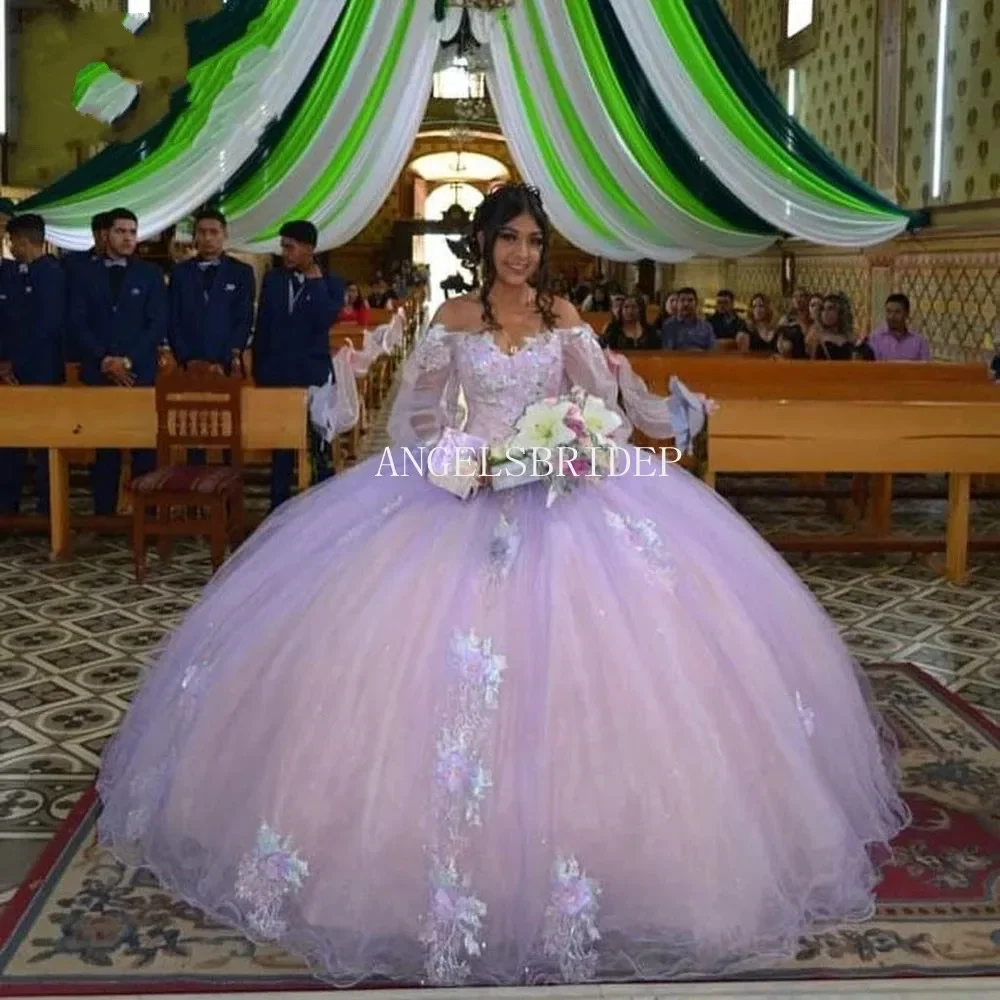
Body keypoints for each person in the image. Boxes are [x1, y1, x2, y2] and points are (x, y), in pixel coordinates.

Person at [96, 184, 908, 989]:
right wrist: (461, 456)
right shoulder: (452, 321)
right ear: (482, 244)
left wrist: (577, 445)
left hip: (564, 501)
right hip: (466, 495)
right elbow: (410, 422)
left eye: (532, 241)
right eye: (508, 239)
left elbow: (607, 410)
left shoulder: (563, 319)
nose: (522, 254)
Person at [69, 207, 167, 516]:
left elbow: (157, 323)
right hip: (100, 373)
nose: (127, 238)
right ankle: (103, 515)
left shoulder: (150, 274)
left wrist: (126, 360)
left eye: (132, 232)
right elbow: (77, 322)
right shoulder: (84, 273)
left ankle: (145, 515)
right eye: (120, 231)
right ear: (105, 234)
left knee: (143, 447)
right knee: (105, 448)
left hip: (138, 373)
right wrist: (104, 360)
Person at [252, 219, 344, 511]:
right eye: (283, 247)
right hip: (277, 374)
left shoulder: (331, 284)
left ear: (309, 249)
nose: (284, 253)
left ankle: (320, 507)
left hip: (313, 375)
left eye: (290, 247)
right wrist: (260, 372)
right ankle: (277, 509)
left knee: (318, 445)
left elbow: (324, 319)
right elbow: (263, 326)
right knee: (280, 447)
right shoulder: (274, 280)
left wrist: (315, 282)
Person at [0, 214, 65, 515]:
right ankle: (7, 506)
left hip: (42, 371)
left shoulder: (52, 273)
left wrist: (16, 362)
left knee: (44, 445)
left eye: (13, 241)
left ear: (24, 241)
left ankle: (47, 508)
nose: (11, 247)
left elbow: (47, 326)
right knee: (9, 441)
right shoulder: (13, 274)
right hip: (10, 372)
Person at [169, 208, 255, 374]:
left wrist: (226, 359)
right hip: (188, 368)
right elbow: (172, 320)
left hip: (227, 368)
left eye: (214, 232)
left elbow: (244, 319)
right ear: (195, 236)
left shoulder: (242, 272)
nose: (208, 238)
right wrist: (187, 359)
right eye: (202, 232)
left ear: (225, 234)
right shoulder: (180, 273)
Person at [867, 294, 931, 361]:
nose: (891, 317)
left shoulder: (919, 342)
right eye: (888, 311)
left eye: (897, 312)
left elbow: (925, 368)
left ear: (907, 313)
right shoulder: (875, 338)